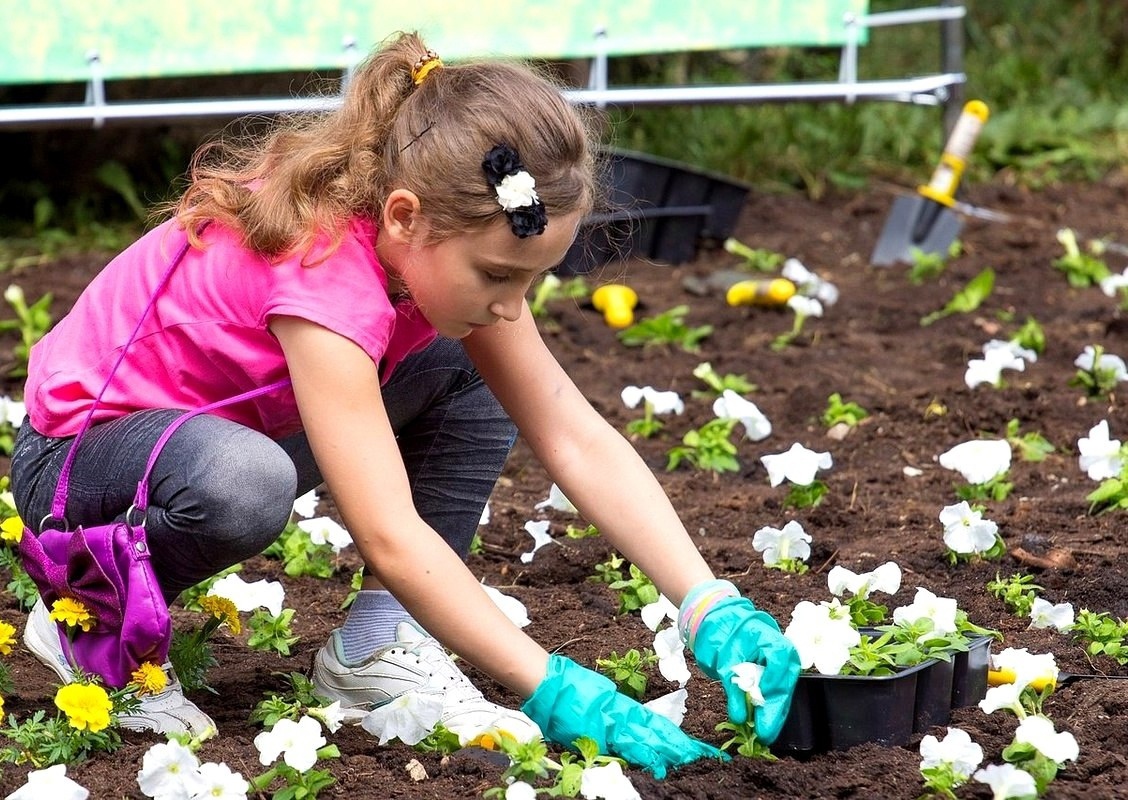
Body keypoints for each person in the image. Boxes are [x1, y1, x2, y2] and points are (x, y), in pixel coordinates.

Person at [11, 31, 800, 776]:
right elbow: (387, 533)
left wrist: (710, 607)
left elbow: (571, 432)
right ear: (403, 216)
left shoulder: (430, 249)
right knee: (244, 484)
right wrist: (553, 688)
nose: (510, 305)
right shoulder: (322, 273)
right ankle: (92, 612)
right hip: (79, 466)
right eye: (497, 275)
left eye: (532, 279)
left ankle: (375, 648)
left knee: (466, 364)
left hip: (209, 440)